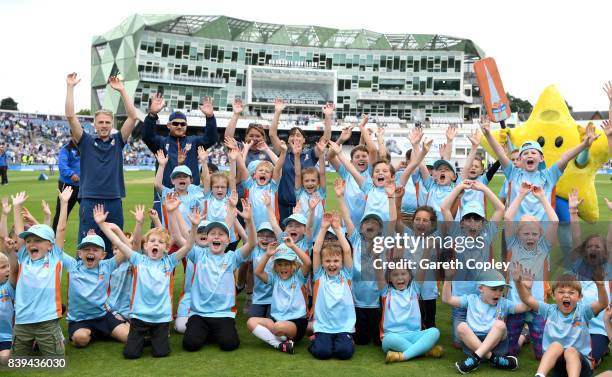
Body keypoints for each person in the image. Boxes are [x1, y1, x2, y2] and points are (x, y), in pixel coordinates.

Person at [95, 203, 199, 359]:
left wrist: (195, 226)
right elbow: (119, 244)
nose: (156, 243)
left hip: (161, 317)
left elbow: (189, 245)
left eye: (160, 242)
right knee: (130, 354)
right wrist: (102, 225)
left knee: (161, 353)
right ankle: (141, 337)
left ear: (166, 248)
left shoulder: (169, 262)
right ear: (145, 246)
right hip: (139, 316)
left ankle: (158, 337)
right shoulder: (138, 260)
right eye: (152, 241)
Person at [65, 73, 138, 258]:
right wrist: (70, 87)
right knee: (88, 243)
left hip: (114, 199)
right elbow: (70, 116)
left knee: (115, 244)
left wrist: (122, 90)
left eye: (107, 122)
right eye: (101, 122)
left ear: (111, 124)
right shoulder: (85, 141)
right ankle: (82, 281)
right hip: (89, 199)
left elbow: (132, 116)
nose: (104, 125)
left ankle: (112, 283)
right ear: (95, 124)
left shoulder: (118, 140)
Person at [182, 198, 256, 352]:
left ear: (228, 240)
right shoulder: (198, 254)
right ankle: (205, 331)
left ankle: (214, 331)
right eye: (212, 234)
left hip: (223, 313)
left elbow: (251, 244)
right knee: (190, 345)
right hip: (199, 313)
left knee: (229, 344)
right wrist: (176, 214)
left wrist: (249, 221)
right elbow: (180, 237)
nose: (216, 237)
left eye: (221, 234)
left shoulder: (232, 258)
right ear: (207, 238)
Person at [10, 190, 72, 356]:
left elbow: (61, 229)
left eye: (37, 240)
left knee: (56, 362)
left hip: (47, 322)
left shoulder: (54, 258)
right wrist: (16, 207)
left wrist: (64, 203)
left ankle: (55, 337)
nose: (31, 244)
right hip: (22, 322)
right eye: (29, 241)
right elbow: (18, 233)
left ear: (50, 245)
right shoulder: (24, 257)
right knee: (16, 363)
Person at [514, 268, 609, 377]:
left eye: (571, 292)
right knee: (555, 346)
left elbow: (602, 303)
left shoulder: (583, 311)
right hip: (558, 366)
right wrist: (518, 283)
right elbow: (528, 299)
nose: (566, 295)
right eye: (561, 292)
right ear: (553, 296)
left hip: (580, 365)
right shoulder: (549, 310)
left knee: (570, 351)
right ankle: (539, 375)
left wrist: (600, 286)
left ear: (579, 297)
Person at [142, 93, 218, 220]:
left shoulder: (194, 142)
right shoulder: (160, 143)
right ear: (168, 125)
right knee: (163, 234)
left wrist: (210, 117)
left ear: (186, 127)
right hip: (165, 196)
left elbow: (211, 138)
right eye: (175, 123)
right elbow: (147, 136)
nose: (179, 126)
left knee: (191, 234)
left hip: (191, 196)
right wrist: (152, 115)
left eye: (183, 124)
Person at [442, 269, 531, 374]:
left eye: (501, 289)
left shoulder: (504, 303)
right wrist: (448, 279)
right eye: (494, 289)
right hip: (472, 346)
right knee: (461, 326)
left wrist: (527, 289)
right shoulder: (471, 299)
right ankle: (494, 359)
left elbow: (527, 307)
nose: (498, 293)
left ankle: (475, 359)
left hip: (497, 347)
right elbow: (447, 299)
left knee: (500, 325)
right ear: (481, 288)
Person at [269, 99, 333, 222]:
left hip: (305, 204)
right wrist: (277, 112)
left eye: (298, 135)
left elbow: (325, 140)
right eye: (292, 135)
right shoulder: (282, 153)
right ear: (288, 140)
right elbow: (272, 134)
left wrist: (328, 116)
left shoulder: (310, 154)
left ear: (304, 140)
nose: (295, 137)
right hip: (283, 205)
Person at [249, 240, 311, 354]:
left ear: (293, 265)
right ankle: (280, 345)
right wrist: (267, 254)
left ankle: (277, 338)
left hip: (296, 323)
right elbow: (258, 272)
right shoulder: (275, 278)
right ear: (275, 266)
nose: (283, 268)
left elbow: (307, 263)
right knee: (251, 322)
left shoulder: (298, 277)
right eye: (280, 264)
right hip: (276, 320)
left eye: (287, 264)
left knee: (278, 327)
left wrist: (293, 246)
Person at [308, 212, 355, 360]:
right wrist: (323, 229)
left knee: (344, 353)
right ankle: (318, 340)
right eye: (328, 261)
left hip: (343, 327)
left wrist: (337, 229)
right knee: (323, 353)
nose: (332, 264)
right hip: (324, 327)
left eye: (335, 261)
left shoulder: (346, 275)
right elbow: (316, 251)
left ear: (341, 262)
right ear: (322, 263)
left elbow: (347, 250)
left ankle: (345, 340)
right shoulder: (320, 276)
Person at [0, 198, 17, 364]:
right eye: (1, 268)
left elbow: (13, 270)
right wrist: (5, 214)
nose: (6, 270)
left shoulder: (8, 286)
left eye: (6, 267)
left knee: (5, 360)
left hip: (7, 336)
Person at [52, 140, 80, 232]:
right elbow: (62, 165)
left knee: (88, 212)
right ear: (72, 135)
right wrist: (71, 174)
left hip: (84, 186)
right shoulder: (66, 149)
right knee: (62, 213)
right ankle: (55, 236)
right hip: (68, 186)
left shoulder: (85, 147)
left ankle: (89, 236)